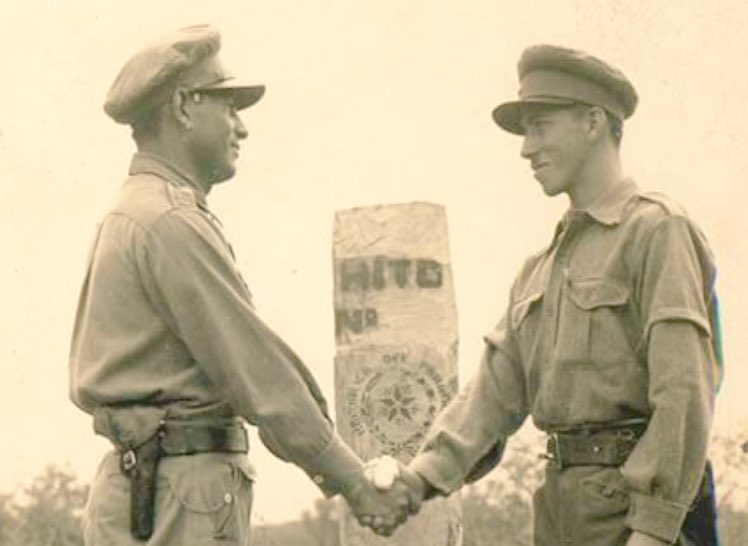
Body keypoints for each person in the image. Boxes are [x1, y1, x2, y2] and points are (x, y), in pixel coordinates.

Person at [69, 24, 420, 545]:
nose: (241, 128)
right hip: (179, 493)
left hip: (150, 482)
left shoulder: (138, 211)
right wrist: (354, 481)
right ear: (186, 106)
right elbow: (259, 374)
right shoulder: (168, 221)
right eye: (228, 106)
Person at [369, 45, 722, 545]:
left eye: (540, 125)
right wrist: (417, 479)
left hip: (637, 518)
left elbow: (684, 391)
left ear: (594, 121)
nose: (526, 148)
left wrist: (654, 528)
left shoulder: (657, 231)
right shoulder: (540, 268)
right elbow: (491, 396)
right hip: (560, 512)